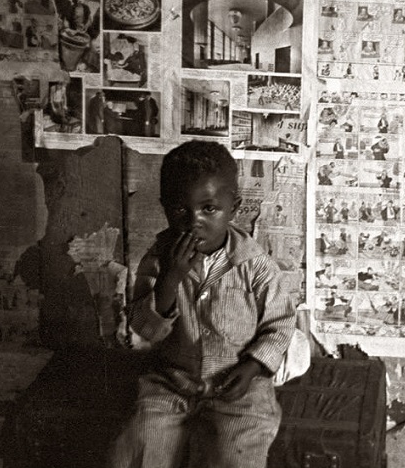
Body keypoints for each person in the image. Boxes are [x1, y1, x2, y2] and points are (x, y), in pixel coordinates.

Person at [108, 141, 295, 468]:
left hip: (237, 386)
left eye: (209, 208)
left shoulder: (256, 266)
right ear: (165, 208)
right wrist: (171, 277)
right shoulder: (158, 260)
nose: (194, 221)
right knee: (138, 448)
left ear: (233, 207)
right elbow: (144, 330)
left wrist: (251, 368)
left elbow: (279, 327)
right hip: (172, 382)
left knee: (234, 454)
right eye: (181, 210)